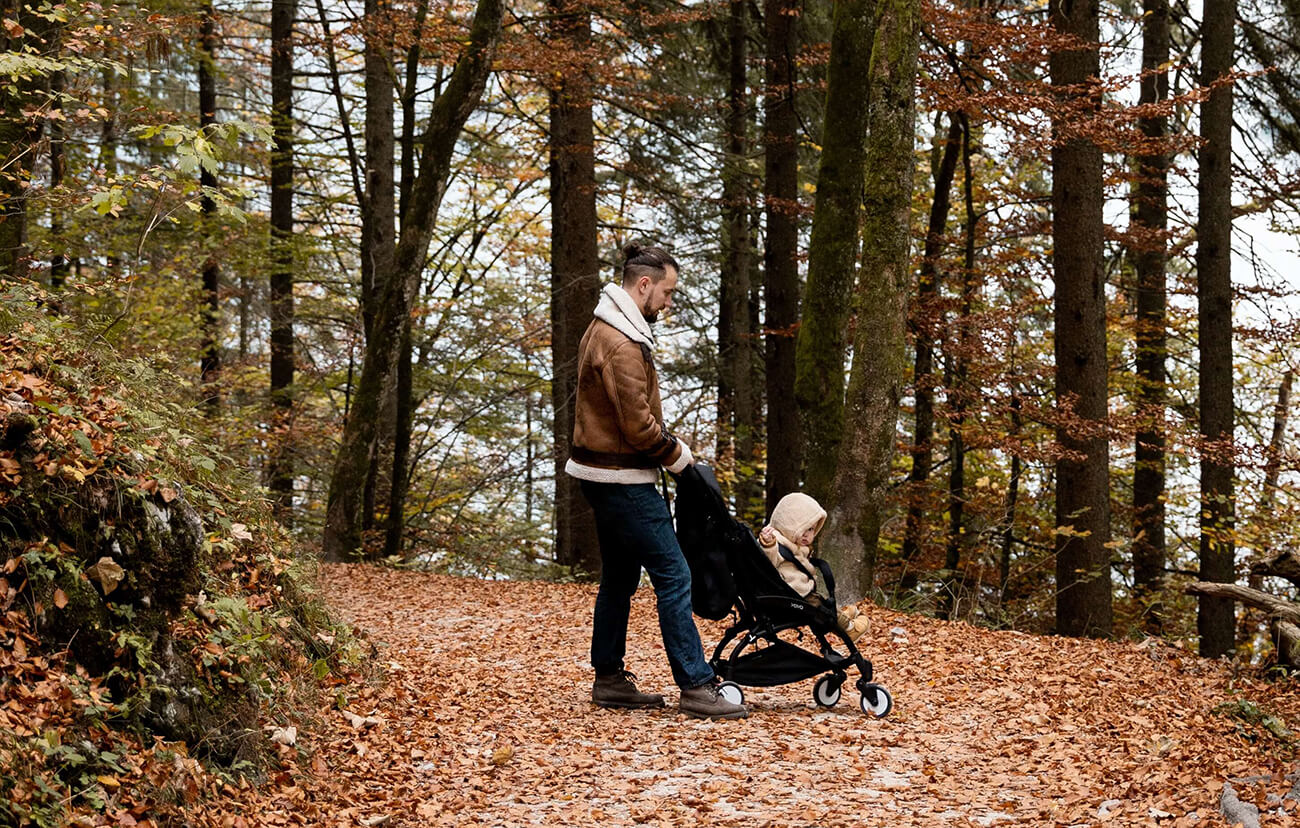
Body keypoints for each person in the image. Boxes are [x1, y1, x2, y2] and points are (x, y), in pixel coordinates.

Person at [565, 242, 747, 720]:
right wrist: (681, 459)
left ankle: (608, 678)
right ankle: (696, 683)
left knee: (620, 577)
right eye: (666, 293)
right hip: (620, 479)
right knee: (674, 573)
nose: (668, 303)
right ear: (643, 285)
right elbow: (639, 427)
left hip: (604, 472)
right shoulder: (621, 343)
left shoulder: (606, 327)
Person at [757, 492, 870, 642]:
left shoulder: (793, 543)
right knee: (821, 608)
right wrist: (768, 544)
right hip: (791, 597)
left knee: (821, 602)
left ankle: (841, 615)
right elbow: (766, 564)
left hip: (798, 592)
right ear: (788, 524)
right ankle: (849, 629)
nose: (807, 535)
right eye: (803, 528)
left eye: (811, 530)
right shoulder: (775, 541)